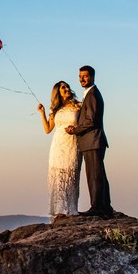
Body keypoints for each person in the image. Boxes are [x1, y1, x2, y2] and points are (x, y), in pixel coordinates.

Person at [65, 65, 113, 216]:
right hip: (93, 141)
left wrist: (75, 130)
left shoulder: (92, 94)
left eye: (85, 76)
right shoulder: (91, 93)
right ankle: (104, 206)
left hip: (92, 141)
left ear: (92, 77)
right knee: (98, 174)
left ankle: (98, 208)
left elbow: (91, 121)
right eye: (80, 76)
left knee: (95, 176)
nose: (82, 79)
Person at [37, 81, 81, 219]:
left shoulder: (79, 105)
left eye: (67, 86)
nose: (67, 88)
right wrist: (42, 113)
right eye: (63, 87)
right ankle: (59, 211)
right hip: (58, 145)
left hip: (72, 143)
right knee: (58, 177)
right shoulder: (55, 109)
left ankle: (71, 209)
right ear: (58, 92)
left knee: (71, 175)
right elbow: (48, 129)